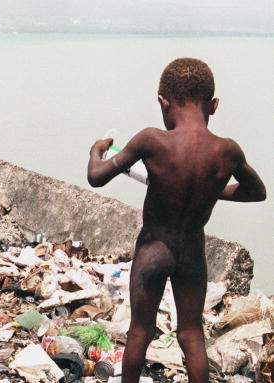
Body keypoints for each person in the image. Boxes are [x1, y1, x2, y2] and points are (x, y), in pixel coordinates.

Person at [86, 58, 266, 383]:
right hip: (192, 252)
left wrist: (96, 152)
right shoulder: (227, 151)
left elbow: (97, 178)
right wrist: (212, 188)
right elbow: (257, 192)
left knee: (140, 331)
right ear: (213, 105)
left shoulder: (151, 140)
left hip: (153, 247)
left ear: (163, 102)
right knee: (191, 335)